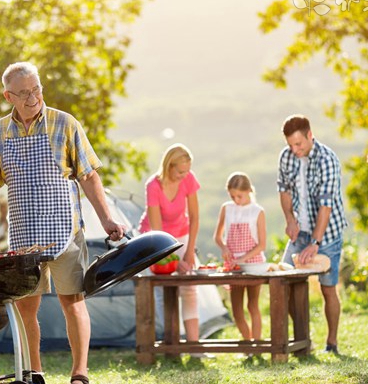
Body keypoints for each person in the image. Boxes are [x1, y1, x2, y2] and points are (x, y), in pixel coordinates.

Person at [0, 62, 125, 384]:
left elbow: (88, 175)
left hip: (65, 231)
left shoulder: (64, 123)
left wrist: (107, 219)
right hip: (24, 234)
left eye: (36, 88)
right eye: (24, 92)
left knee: (73, 301)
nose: (33, 96)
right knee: (26, 307)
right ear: (8, 95)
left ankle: (79, 373)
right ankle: (33, 375)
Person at [277, 114, 347, 354]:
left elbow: (326, 206)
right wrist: (290, 220)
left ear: (310, 135)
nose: (294, 149)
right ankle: (303, 341)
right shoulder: (287, 157)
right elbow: (284, 190)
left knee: (328, 289)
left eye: (299, 144)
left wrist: (316, 242)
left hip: (327, 234)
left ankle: (332, 344)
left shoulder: (327, 160)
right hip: (301, 232)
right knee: (283, 282)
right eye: (290, 145)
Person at [139, 143, 201, 345]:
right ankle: (170, 343)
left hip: (181, 234)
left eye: (187, 171)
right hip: (155, 239)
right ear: (169, 166)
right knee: (162, 289)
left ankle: (193, 346)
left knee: (189, 286)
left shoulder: (188, 179)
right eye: (180, 171)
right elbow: (158, 234)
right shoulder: (153, 186)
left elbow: (194, 216)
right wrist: (174, 261)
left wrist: (189, 252)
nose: (184, 176)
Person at [214, 172, 267, 341]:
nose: (236, 200)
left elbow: (262, 245)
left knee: (252, 306)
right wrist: (224, 248)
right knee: (236, 310)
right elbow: (218, 236)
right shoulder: (226, 208)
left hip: (253, 265)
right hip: (233, 267)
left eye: (240, 196)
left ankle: (257, 346)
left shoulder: (257, 211)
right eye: (232, 196)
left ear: (249, 191)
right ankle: (248, 343)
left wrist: (242, 259)